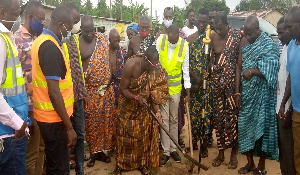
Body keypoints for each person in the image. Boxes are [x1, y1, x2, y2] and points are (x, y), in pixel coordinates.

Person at [31, 5, 77, 174]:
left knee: (53, 163)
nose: (69, 34)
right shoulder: (50, 48)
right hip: (54, 119)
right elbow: (54, 92)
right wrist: (69, 127)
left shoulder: (42, 41)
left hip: (49, 117)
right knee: (59, 168)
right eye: (68, 30)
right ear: (60, 25)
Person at [114, 45, 169, 175]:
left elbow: (155, 90)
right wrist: (136, 97)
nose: (154, 68)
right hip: (127, 108)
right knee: (124, 138)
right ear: (145, 59)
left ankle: (142, 164)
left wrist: (157, 111)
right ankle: (120, 165)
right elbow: (123, 89)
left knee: (143, 138)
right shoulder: (131, 65)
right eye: (152, 65)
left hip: (144, 109)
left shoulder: (154, 68)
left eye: (156, 65)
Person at [236, 15, 279, 174]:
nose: (247, 37)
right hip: (247, 94)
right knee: (244, 126)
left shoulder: (268, 44)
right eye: (245, 33)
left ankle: (261, 166)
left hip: (263, 95)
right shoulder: (244, 43)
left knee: (262, 131)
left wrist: (253, 71)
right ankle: (250, 163)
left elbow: (273, 68)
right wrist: (238, 92)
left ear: (257, 30)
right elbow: (239, 67)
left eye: (250, 34)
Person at [13, 1, 45, 175]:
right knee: (31, 154)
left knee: (41, 148)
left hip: (41, 105)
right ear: (31, 17)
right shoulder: (17, 39)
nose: (43, 23)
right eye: (41, 19)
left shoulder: (37, 39)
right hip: (28, 108)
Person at [0, 0, 31, 173]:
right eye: (15, 13)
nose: (18, 18)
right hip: (9, 132)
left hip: (13, 129)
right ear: (2, 13)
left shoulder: (7, 38)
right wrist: (17, 124)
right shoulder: (0, 41)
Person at [210, 11, 242, 169]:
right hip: (216, 86)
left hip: (231, 87)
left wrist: (237, 91)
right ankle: (221, 153)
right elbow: (211, 61)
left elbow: (238, 65)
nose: (219, 31)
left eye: (221, 28)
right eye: (217, 28)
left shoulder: (236, 37)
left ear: (227, 24)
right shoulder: (213, 37)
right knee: (218, 120)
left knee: (232, 120)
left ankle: (233, 154)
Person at [156, 24, 191, 166]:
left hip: (176, 90)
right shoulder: (160, 41)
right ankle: (165, 151)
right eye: (171, 40)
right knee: (164, 120)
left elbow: (186, 70)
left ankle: (173, 148)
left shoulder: (184, 46)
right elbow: (155, 64)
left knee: (174, 119)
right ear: (168, 34)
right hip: (162, 89)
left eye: (175, 40)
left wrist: (187, 92)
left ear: (178, 35)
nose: (173, 42)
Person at [61, 3, 88, 175]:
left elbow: (78, 68)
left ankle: (80, 170)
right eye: (75, 21)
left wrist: (83, 91)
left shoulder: (74, 39)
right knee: (65, 137)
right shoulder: (57, 41)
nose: (77, 25)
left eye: (78, 21)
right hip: (64, 100)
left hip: (78, 96)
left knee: (80, 135)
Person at [84, 29, 116, 167]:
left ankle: (102, 151)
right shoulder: (79, 44)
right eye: (87, 30)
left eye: (92, 30)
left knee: (105, 122)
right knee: (92, 123)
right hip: (90, 91)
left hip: (106, 89)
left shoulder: (101, 41)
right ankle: (93, 152)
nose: (90, 33)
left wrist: (106, 84)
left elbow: (108, 63)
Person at [186, 8, 213, 157]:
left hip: (206, 86)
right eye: (200, 21)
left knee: (205, 115)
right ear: (196, 21)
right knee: (194, 116)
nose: (202, 24)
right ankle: (193, 143)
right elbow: (186, 62)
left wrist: (208, 70)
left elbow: (212, 60)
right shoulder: (191, 39)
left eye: (205, 21)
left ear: (208, 21)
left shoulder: (211, 38)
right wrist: (194, 78)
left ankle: (204, 145)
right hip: (194, 84)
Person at [280, 6, 300, 174]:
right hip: (297, 112)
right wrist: (284, 104)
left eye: (289, 27)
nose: (286, 31)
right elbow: (291, 77)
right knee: (298, 156)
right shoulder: (292, 46)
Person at [276, 16, 296, 175]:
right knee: (283, 148)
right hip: (282, 107)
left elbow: (293, 81)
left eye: (283, 32)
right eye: (278, 33)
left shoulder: (294, 48)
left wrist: (288, 109)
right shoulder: (286, 48)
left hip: (291, 109)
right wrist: (282, 105)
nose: (280, 36)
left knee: (290, 150)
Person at [109, 29, 127, 107]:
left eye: (118, 41)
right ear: (109, 40)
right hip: (108, 86)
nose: (117, 43)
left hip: (120, 85)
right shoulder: (104, 52)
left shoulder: (122, 52)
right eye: (115, 41)